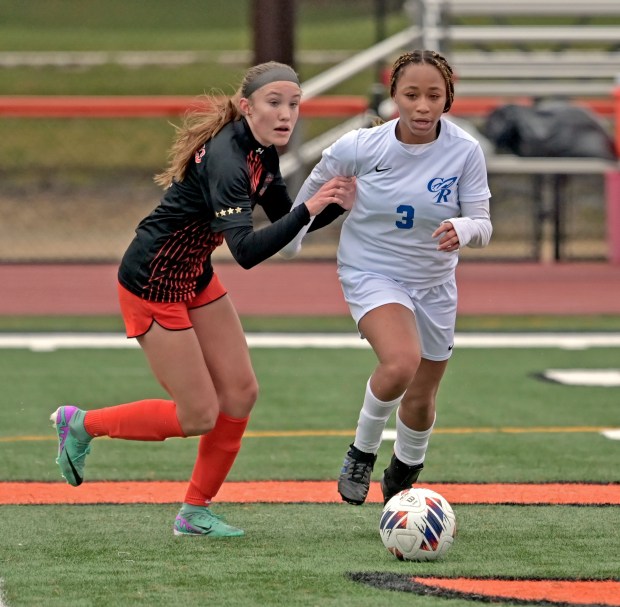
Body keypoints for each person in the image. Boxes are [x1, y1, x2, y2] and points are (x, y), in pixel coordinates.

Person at [50, 61, 355, 536]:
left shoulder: (262, 149)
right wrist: (313, 208)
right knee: (198, 414)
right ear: (246, 105)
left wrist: (335, 205)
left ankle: (194, 512)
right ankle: (83, 424)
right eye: (274, 103)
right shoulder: (228, 159)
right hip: (152, 280)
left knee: (241, 392)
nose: (286, 115)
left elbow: (286, 223)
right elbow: (249, 252)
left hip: (193, 274)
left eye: (294, 104)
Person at [281, 50, 492, 505]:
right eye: (411, 94)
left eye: (433, 95)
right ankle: (361, 452)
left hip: (434, 282)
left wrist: (464, 228)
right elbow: (309, 194)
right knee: (400, 361)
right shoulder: (359, 146)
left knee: (421, 397)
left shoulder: (464, 151)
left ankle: (407, 466)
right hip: (371, 270)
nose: (422, 106)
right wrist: (290, 239)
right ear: (393, 95)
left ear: (447, 98)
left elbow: (484, 222)